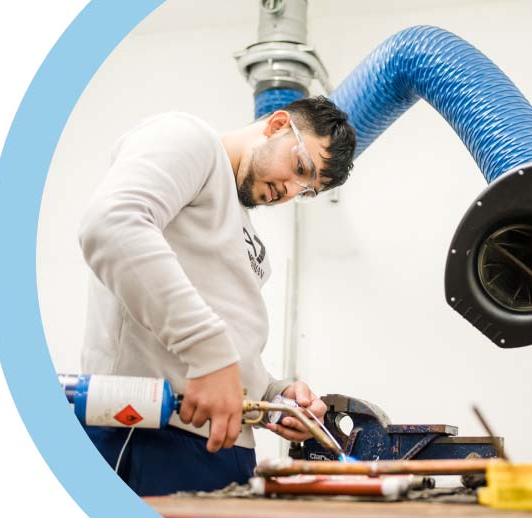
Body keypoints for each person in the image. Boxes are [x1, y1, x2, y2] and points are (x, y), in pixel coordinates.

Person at [78, 95, 356, 496]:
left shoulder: (249, 236)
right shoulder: (190, 139)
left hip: (226, 449)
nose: (289, 191)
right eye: (300, 167)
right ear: (278, 124)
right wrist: (210, 355)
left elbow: (229, 347)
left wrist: (271, 397)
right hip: (148, 432)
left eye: (305, 189)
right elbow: (111, 225)